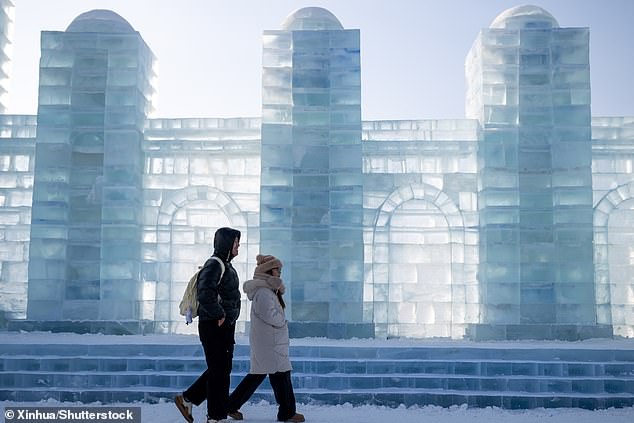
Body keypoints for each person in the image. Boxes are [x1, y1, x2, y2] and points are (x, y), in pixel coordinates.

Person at [226, 254, 305, 423]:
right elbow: (270, 316)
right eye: (277, 269)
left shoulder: (268, 291)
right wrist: (283, 320)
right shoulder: (263, 292)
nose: (280, 273)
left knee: (261, 375)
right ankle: (287, 412)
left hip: (270, 342)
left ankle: (231, 405)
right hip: (270, 343)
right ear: (269, 271)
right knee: (280, 375)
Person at [176, 227, 242, 423]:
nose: (238, 248)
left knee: (220, 370)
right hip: (214, 325)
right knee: (219, 372)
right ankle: (215, 416)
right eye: (236, 244)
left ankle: (188, 399)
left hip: (223, 326)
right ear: (227, 244)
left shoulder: (225, 265)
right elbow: (205, 292)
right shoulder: (215, 264)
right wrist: (219, 313)